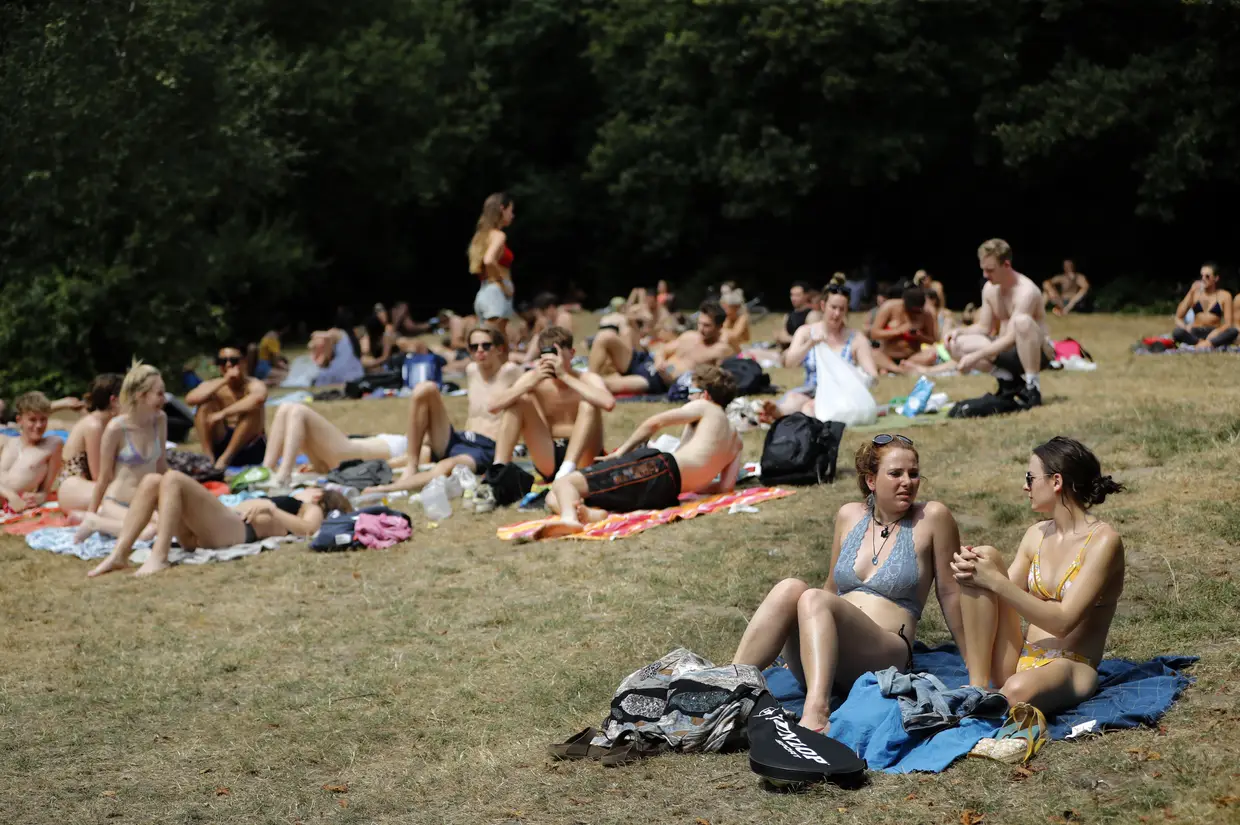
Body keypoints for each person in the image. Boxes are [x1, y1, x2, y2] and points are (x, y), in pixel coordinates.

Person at [731, 435, 965, 733]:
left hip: (886, 653)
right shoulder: (848, 515)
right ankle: (728, 686)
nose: (908, 481)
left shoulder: (932, 517)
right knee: (791, 587)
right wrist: (805, 648)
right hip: (830, 657)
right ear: (871, 480)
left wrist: (975, 666)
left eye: (914, 473)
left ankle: (817, 711)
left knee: (814, 598)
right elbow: (832, 587)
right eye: (896, 474)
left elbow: (950, 592)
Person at [952, 437, 1125, 715]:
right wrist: (970, 570)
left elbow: (1063, 623)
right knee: (983, 556)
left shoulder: (1104, 542)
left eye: (1030, 478)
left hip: (1070, 665)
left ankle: (993, 700)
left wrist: (994, 580)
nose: (1025, 486)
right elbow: (998, 600)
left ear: (1056, 482)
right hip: (1020, 657)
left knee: (1018, 690)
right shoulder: (1036, 534)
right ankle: (977, 687)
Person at [544, 364, 743, 535]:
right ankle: (594, 514)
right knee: (555, 496)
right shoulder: (736, 439)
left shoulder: (705, 407)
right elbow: (725, 488)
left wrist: (621, 452)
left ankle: (570, 520)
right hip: (668, 494)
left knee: (564, 483)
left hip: (659, 468)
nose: (689, 398)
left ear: (705, 394)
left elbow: (654, 423)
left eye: (691, 392)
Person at [88, 474, 351, 578]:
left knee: (173, 479)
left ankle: (160, 555)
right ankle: (119, 554)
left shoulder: (311, 506)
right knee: (152, 481)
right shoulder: (296, 500)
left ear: (319, 495)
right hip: (212, 529)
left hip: (236, 530)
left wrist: (272, 509)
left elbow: (307, 530)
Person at [365, 326, 521, 494]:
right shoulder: (472, 370)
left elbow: (531, 393)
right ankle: (411, 466)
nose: (480, 351)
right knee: (425, 388)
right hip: (460, 438)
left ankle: (387, 489)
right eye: (474, 347)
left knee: (446, 466)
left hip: (487, 448)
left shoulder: (510, 372)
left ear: (499, 349)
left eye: (486, 345)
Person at [490, 326, 615, 482]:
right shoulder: (533, 378)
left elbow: (608, 403)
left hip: (584, 455)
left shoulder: (587, 378)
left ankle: (567, 468)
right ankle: (499, 470)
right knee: (519, 401)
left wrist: (565, 376)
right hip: (548, 453)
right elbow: (493, 407)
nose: (553, 362)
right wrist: (528, 385)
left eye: (558, 355)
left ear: (572, 354)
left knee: (589, 402)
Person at [947, 239, 1054, 406]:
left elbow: (1012, 337)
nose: (985, 275)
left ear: (1006, 265)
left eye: (990, 270)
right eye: (983, 269)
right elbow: (984, 327)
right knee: (955, 344)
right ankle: (1008, 381)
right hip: (1004, 350)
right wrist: (960, 331)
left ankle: (1033, 387)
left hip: (1035, 353)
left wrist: (975, 356)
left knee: (1022, 322)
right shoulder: (990, 288)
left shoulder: (1026, 291)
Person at [73, 362, 168, 541]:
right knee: (148, 532)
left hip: (146, 503)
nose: (165, 399)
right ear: (141, 395)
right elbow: (104, 477)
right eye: (159, 394)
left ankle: (101, 521)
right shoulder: (116, 428)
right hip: (118, 502)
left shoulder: (160, 420)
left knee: (169, 523)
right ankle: (94, 521)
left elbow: (162, 465)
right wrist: (90, 511)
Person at [769, 283, 878, 418]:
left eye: (841, 309)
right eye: (833, 307)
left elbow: (872, 375)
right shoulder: (806, 332)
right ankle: (777, 413)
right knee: (794, 400)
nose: (837, 314)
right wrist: (810, 343)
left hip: (841, 393)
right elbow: (789, 363)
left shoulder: (855, 338)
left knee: (809, 408)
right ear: (823, 306)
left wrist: (858, 377)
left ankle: (791, 418)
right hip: (811, 390)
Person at [591, 301, 736, 396]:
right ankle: (589, 375)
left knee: (606, 385)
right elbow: (663, 350)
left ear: (719, 327)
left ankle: (583, 384)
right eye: (700, 323)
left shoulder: (721, 350)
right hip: (648, 363)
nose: (701, 329)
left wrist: (673, 381)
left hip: (655, 380)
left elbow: (717, 383)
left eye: (707, 325)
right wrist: (659, 361)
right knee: (605, 337)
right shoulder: (689, 336)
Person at [261, 403, 412, 486]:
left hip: (351, 455)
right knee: (285, 408)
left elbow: (410, 461)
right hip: (338, 456)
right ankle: (264, 471)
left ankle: (283, 474)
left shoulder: (417, 448)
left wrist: (380, 466)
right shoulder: (404, 439)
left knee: (298, 411)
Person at [187, 347, 268, 470]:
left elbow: (258, 398)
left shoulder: (253, 384)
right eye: (223, 361)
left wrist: (223, 413)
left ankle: (226, 458)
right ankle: (208, 458)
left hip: (250, 446)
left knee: (253, 409)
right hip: (222, 440)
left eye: (234, 361)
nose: (228, 365)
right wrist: (225, 380)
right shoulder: (215, 385)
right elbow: (191, 399)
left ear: (243, 362)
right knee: (204, 406)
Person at [55, 373, 124, 513]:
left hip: (84, 487)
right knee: (125, 496)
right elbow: (98, 475)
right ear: (114, 401)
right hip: (73, 488)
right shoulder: (94, 426)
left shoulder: (106, 423)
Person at [0, 392, 62, 512]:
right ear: (19, 420)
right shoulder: (4, 441)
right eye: (32, 420)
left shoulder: (52, 445)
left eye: (43, 419)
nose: (38, 425)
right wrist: (11, 495)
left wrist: (39, 498)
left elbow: (44, 492)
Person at [468, 192, 516, 334]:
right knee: (494, 343)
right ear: (502, 209)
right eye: (510, 211)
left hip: (485, 290)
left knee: (498, 343)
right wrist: (502, 284)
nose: (512, 215)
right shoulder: (499, 235)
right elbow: (489, 260)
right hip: (496, 292)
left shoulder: (481, 236)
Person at [869, 286, 940, 374]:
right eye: (912, 311)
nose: (914, 314)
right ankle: (898, 369)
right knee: (872, 353)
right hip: (888, 356)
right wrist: (898, 331)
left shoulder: (926, 313)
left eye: (918, 311)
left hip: (913, 357)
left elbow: (933, 340)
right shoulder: (889, 307)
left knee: (931, 355)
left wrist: (919, 336)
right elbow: (874, 333)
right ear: (904, 303)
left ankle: (900, 367)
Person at [1173, 262, 1236, 349]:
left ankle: (1207, 344)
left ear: (1216, 278)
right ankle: (1202, 344)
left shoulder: (1225, 295)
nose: (1203, 279)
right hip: (1195, 331)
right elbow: (1179, 316)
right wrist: (1191, 292)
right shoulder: (1194, 293)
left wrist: (1217, 332)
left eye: (1207, 276)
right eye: (1201, 276)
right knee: (1177, 332)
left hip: (1213, 332)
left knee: (1233, 331)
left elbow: (1228, 324)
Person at [513, 293, 576, 364]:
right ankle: (527, 357)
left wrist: (545, 326)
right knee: (537, 337)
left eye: (543, 312)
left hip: (560, 350)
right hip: (550, 348)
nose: (543, 315)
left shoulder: (563, 317)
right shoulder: (550, 320)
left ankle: (527, 359)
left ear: (551, 308)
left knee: (538, 337)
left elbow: (561, 339)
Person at [310, 310, 365, 387]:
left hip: (342, 373)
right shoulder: (350, 334)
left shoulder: (334, 332)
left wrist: (315, 334)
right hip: (356, 372)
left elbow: (327, 356)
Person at [774, 282, 815, 349]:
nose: (793, 298)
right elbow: (782, 336)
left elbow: (811, 340)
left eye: (797, 295)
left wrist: (789, 339)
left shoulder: (812, 315)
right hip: (787, 351)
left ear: (806, 295)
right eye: (792, 295)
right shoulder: (788, 316)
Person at [360, 303, 398, 371]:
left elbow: (385, 357)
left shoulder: (387, 332)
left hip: (391, 362)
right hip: (379, 360)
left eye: (382, 311)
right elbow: (365, 351)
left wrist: (371, 363)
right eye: (377, 312)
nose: (381, 314)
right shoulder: (369, 335)